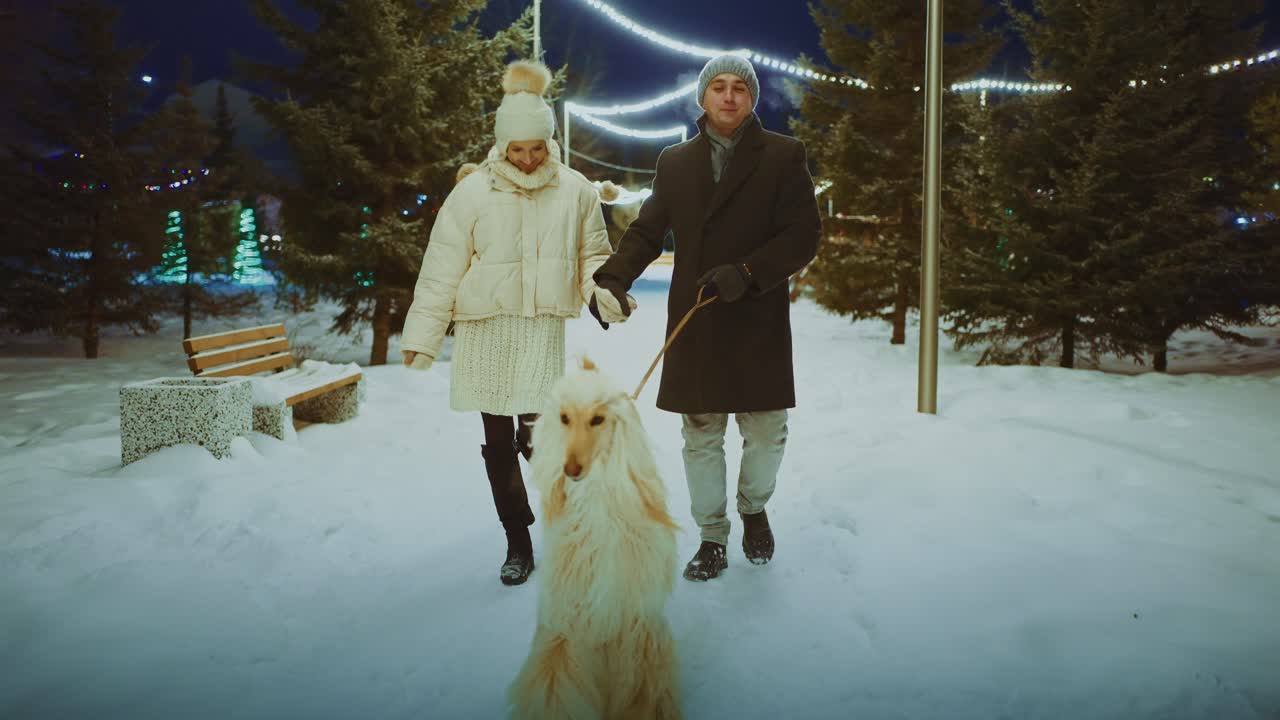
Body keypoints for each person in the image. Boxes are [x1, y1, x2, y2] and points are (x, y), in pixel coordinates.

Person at [400, 60, 632, 586]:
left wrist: (606, 296)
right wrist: (422, 337)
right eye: (517, 149)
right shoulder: (473, 192)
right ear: (501, 144)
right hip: (485, 329)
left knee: (540, 437)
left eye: (536, 148)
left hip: (538, 328)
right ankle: (517, 541)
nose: (527, 159)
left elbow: (593, 256)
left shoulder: (575, 189)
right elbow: (440, 268)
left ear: (549, 143)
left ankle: (571, 527)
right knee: (497, 442)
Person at [591, 54, 822, 581]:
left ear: (752, 98)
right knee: (701, 434)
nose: (729, 96)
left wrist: (747, 271)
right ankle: (712, 535)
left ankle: (753, 506)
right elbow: (648, 232)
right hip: (698, 318)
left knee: (767, 434)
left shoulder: (784, 156)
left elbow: (802, 235)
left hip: (756, 314)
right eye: (718, 86)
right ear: (702, 96)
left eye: (740, 87)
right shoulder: (675, 161)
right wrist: (613, 277)